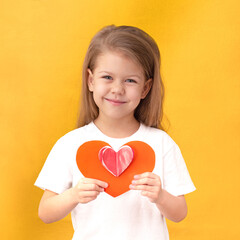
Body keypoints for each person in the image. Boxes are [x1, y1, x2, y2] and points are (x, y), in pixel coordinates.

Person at [35, 25, 196, 240]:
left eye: (130, 80)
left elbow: (179, 213)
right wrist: (73, 195)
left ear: (145, 89)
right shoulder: (70, 144)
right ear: (91, 80)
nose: (117, 89)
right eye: (107, 77)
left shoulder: (161, 143)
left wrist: (160, 196)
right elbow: (45, 212)